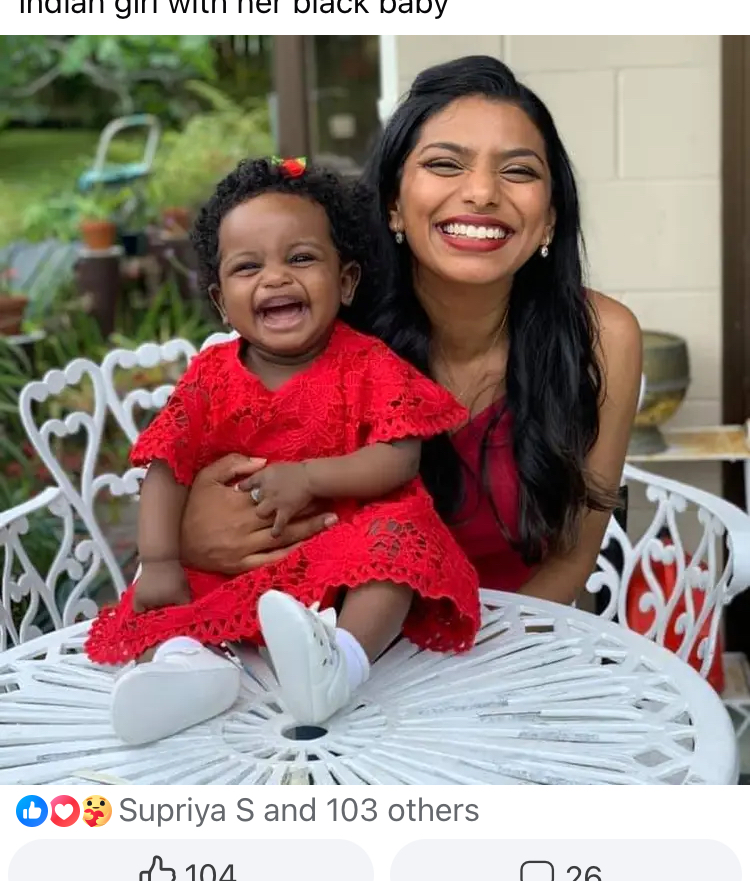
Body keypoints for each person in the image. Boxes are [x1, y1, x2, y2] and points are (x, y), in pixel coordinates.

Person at [177, 55, 643, 610]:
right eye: (445, 164)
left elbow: (571, 560)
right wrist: (191, 536)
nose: (482, 192)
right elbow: (221, 505)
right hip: (332, 642)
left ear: (549, 218)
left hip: (515, 638)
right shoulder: (320, 325)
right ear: (394, 203)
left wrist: (486, 654)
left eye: (518, 171)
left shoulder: (604, 337)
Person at [84, 156, 480, 745]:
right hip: (235, 561)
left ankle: (339, 662)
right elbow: (167, 465)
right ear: (221, 301)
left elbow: (400, 457)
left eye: (301, 258)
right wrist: (161, 560)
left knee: (399, 539)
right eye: (248, 267)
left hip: (340, 554)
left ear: (345, 281)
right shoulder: (209, 378)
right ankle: (188, 670)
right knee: (172, 602)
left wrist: (311, 477)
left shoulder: (368, 364)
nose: (275, 279)